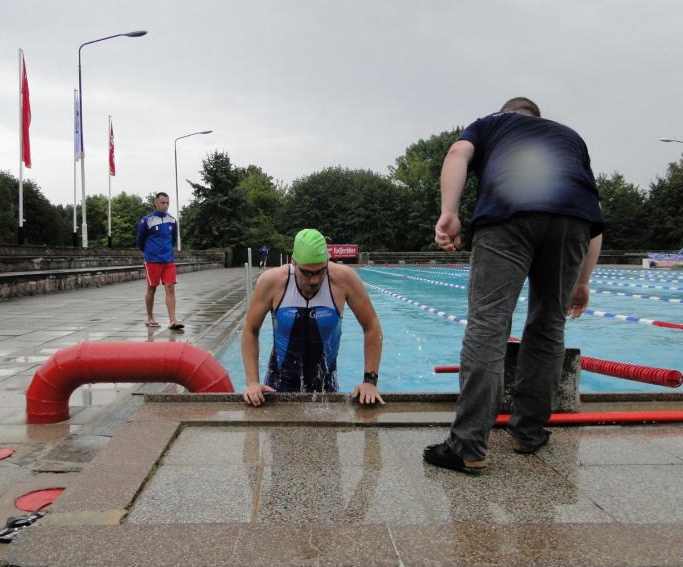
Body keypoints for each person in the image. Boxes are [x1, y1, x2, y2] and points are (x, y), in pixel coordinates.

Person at [424, 97, 604, 474]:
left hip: (508, 214)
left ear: (507, 113)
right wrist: (583, 280)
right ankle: (529, 433)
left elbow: (457, 153)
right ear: (537, 117)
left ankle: (468, 446)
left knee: (488, 322)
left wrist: (449, 211)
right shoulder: (570, 137)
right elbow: (595, 216)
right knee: (549, 325)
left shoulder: (492, 123)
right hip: (573, 221)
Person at [242, 228, 384, 406]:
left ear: (327, 261)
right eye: (307, 272)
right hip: (277, 387)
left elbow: (372, 326)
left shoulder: (344, 279)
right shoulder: (272, 281)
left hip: (326, 389)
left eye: (320, 271)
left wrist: (370, 381)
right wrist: (252, 382)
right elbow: (250, 330)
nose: (314, 280)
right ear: (293, 263)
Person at [136, 192, 184, 330]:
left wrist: (167, 251)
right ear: (156, 203)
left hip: (168, 260)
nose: (166, 205)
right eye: (163, 203)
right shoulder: (147, 221)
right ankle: (150, 318)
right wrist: (150, 252)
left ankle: (173, 320)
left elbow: (173, 239)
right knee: (152, 289)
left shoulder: (172, 221)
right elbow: (140, 241)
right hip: (152, 260)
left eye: (167, 203)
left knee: (170, 288)